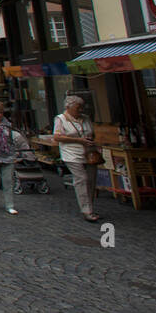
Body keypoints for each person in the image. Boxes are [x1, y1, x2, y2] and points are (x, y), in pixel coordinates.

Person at [53, 95, 101, 223]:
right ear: (68, 107)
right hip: (72, 154)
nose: (80, 109)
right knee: (82, 179)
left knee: (91, 180)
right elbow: (57, 137)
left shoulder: (85, 118)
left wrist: (90, 141)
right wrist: (78, 140)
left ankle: (89, 206)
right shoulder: (61, 119)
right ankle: (87, 211)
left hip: (89, 154)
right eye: (77, 107)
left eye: (81, 107)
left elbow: (92, 133)